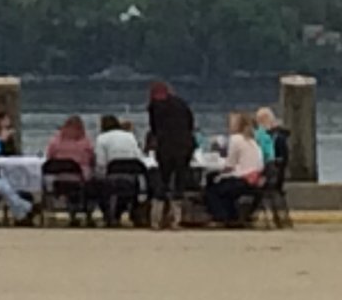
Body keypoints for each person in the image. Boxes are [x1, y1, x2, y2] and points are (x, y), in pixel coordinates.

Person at [144, 80, 197, 228]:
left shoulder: (154, 106)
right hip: (185, 146)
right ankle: (176, 218)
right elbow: (190, 124)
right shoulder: (181, 104)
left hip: (166, 146)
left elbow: (154, 129)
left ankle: (157, 217)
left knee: (163, 180)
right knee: (179, 180)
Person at [204, 109, 265, 224]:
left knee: (212, 189)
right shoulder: (252, 140)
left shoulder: (236, 139)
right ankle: (231, 215)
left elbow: (230, 165)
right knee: (222, 186)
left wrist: (220, 167)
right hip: (254, 179)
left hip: (242, 179)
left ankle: (221, 216)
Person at [93, 112, 147, 226]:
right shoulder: (129, 136)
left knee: (98, 186)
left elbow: (101, 163)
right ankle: (126, 213)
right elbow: (138, 157)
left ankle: (107, 215)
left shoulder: (101, 139)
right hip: (131, 176)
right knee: (125, 189)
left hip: (113, 175)